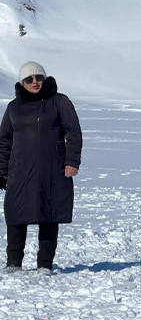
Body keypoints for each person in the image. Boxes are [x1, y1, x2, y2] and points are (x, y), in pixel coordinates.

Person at [0, 62, 82, 273]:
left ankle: (45, 263)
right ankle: (14, 262)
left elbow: (73, 131)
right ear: (22, 83)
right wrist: (2, 170)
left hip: (52, 168)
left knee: (49, 211)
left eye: (38, 78)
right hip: (20, 169)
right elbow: (4, 139)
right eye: (29, 79)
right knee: (16, 213)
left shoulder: (59, 102)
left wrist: (72, 162)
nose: (34, 82)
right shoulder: (13, 107)